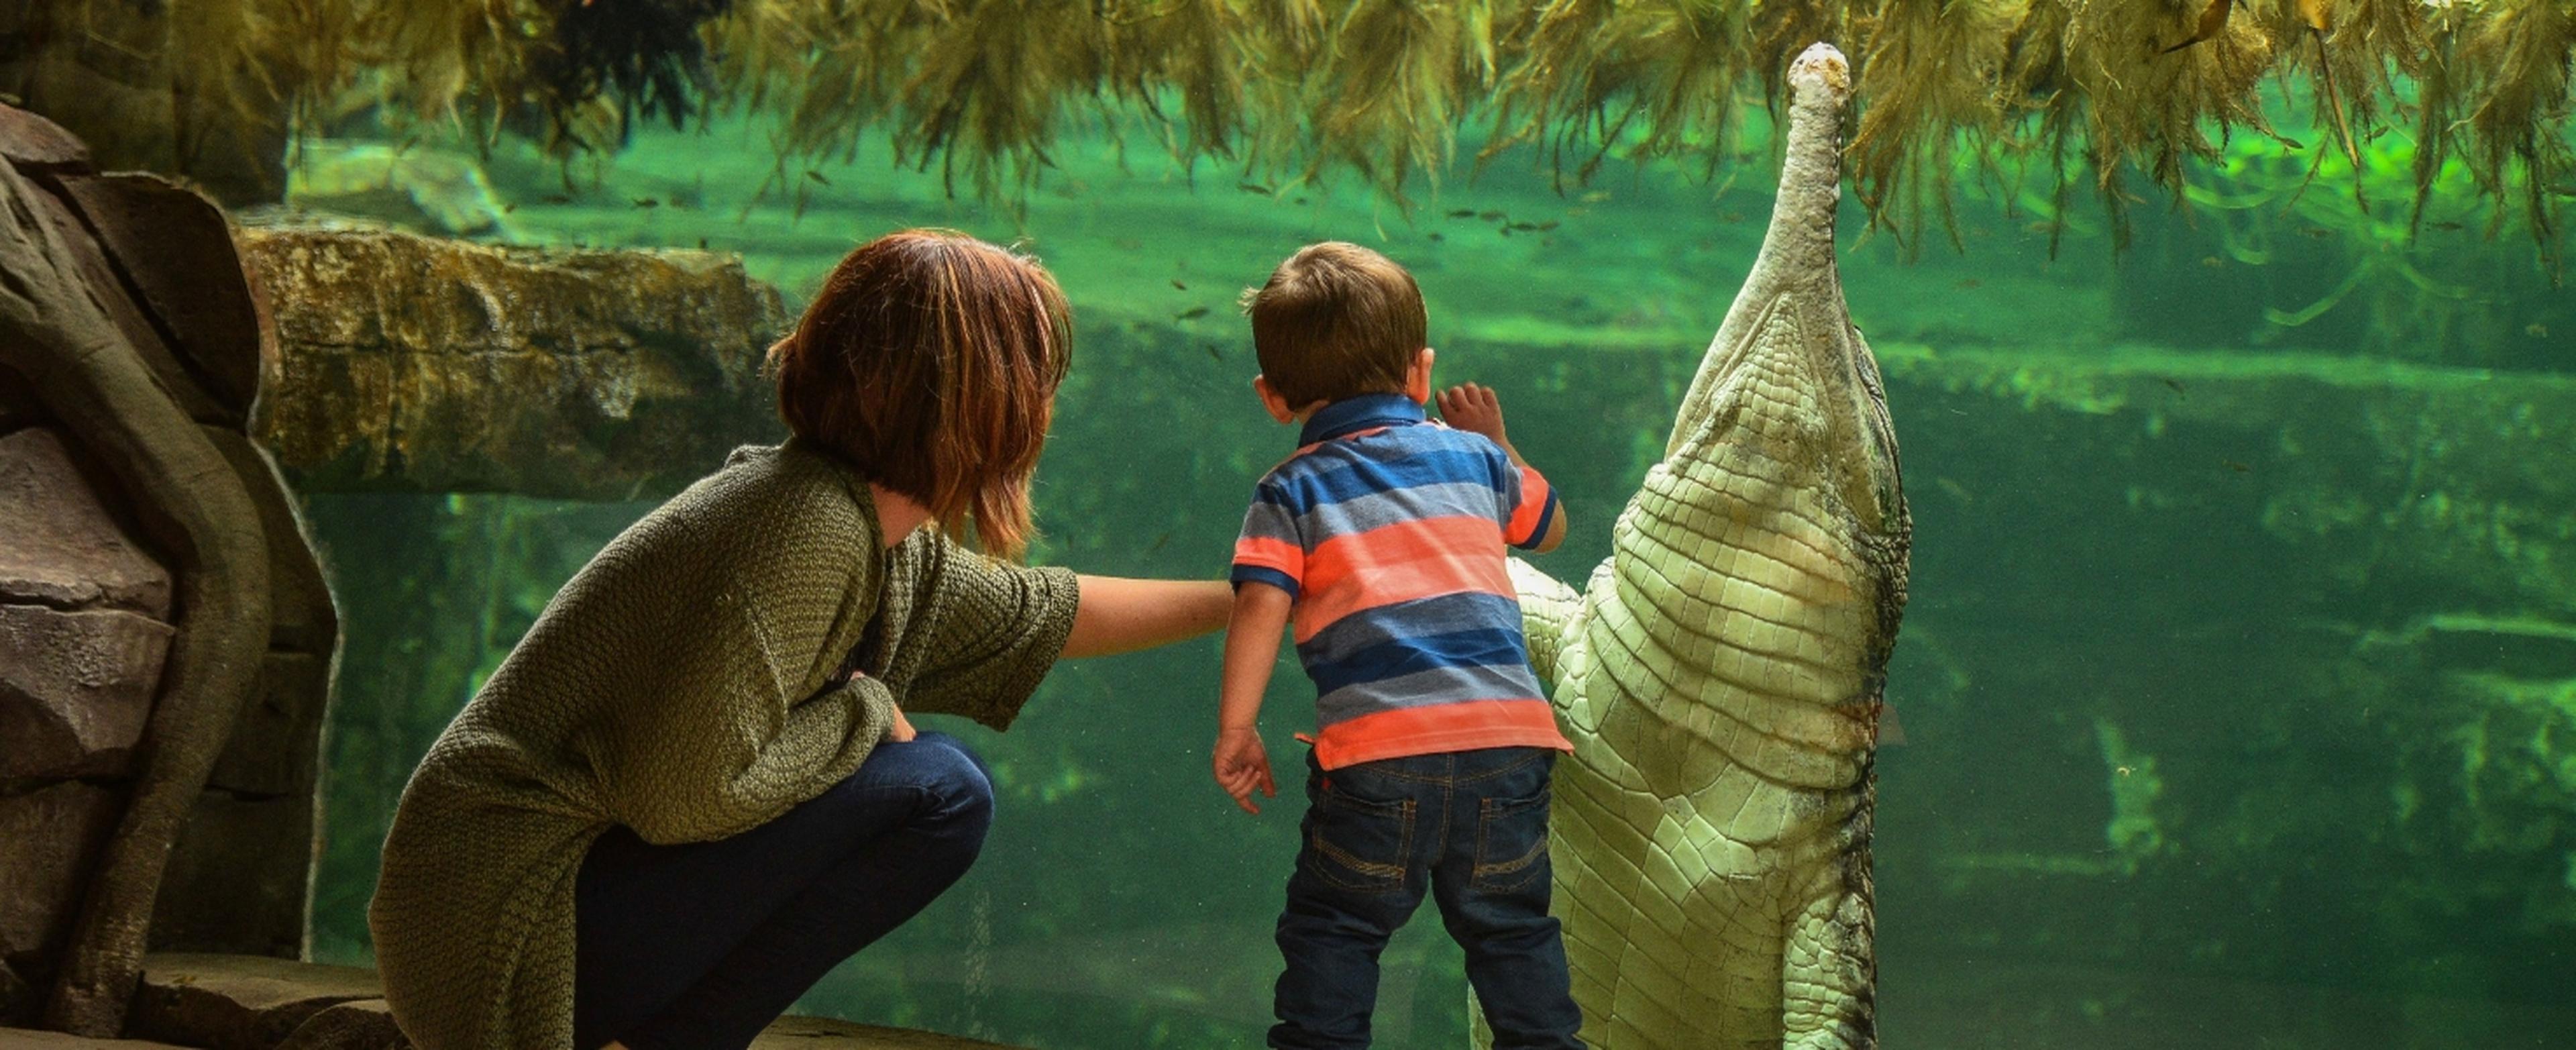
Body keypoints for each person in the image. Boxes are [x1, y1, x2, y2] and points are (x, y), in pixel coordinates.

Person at [369, 229, 1234, 1050]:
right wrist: (865, 710)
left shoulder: (868, 529)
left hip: (519, 916)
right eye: (1032, 377)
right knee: (940, 791)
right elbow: (683, 798)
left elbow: (1040, 611)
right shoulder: (804, 529)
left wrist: (1256, 596)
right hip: (506, 934)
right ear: (975, 399)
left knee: (936, 780)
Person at [1212, 242, 1582, 1049]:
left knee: (1337, 929)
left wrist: (1237, 727)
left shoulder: (1290, 490)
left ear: (1273, 397)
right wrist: (1502, 443)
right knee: (1514, 933)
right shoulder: (1477, 459)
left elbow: (1259, 606)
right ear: (1422, 372)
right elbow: (1550, 527)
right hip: (1507, 748)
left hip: (1378, 761)